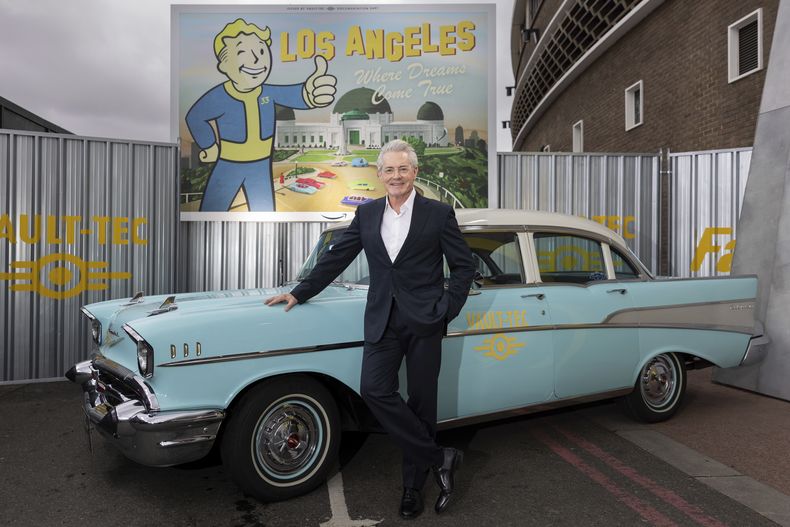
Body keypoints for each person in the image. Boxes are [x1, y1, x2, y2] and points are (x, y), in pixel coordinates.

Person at [265, 139, 475, 518]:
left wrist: (446, 309)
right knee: (374, 389)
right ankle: (439, 457)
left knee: (423, 403)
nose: (396, 176)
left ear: (415, 172)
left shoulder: (438, 213)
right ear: (379, 175)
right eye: (389, 170)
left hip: (425, 320)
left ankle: (412, 487)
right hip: (382, 319)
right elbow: (336, 258)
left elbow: (464, 267)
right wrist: (299, 292)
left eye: (403, 169)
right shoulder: (367, 215)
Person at [186, 18, 336, 212]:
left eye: (262, 51)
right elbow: (195, 116)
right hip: (228, 165)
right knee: (211, 210)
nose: (256, 59)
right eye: (242, 52)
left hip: (260, 166)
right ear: (223, 65)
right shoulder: (219, 96)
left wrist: (311, 92)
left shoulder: (268, 92)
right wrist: (209, 145)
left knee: (264, 211)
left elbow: (297, 94)